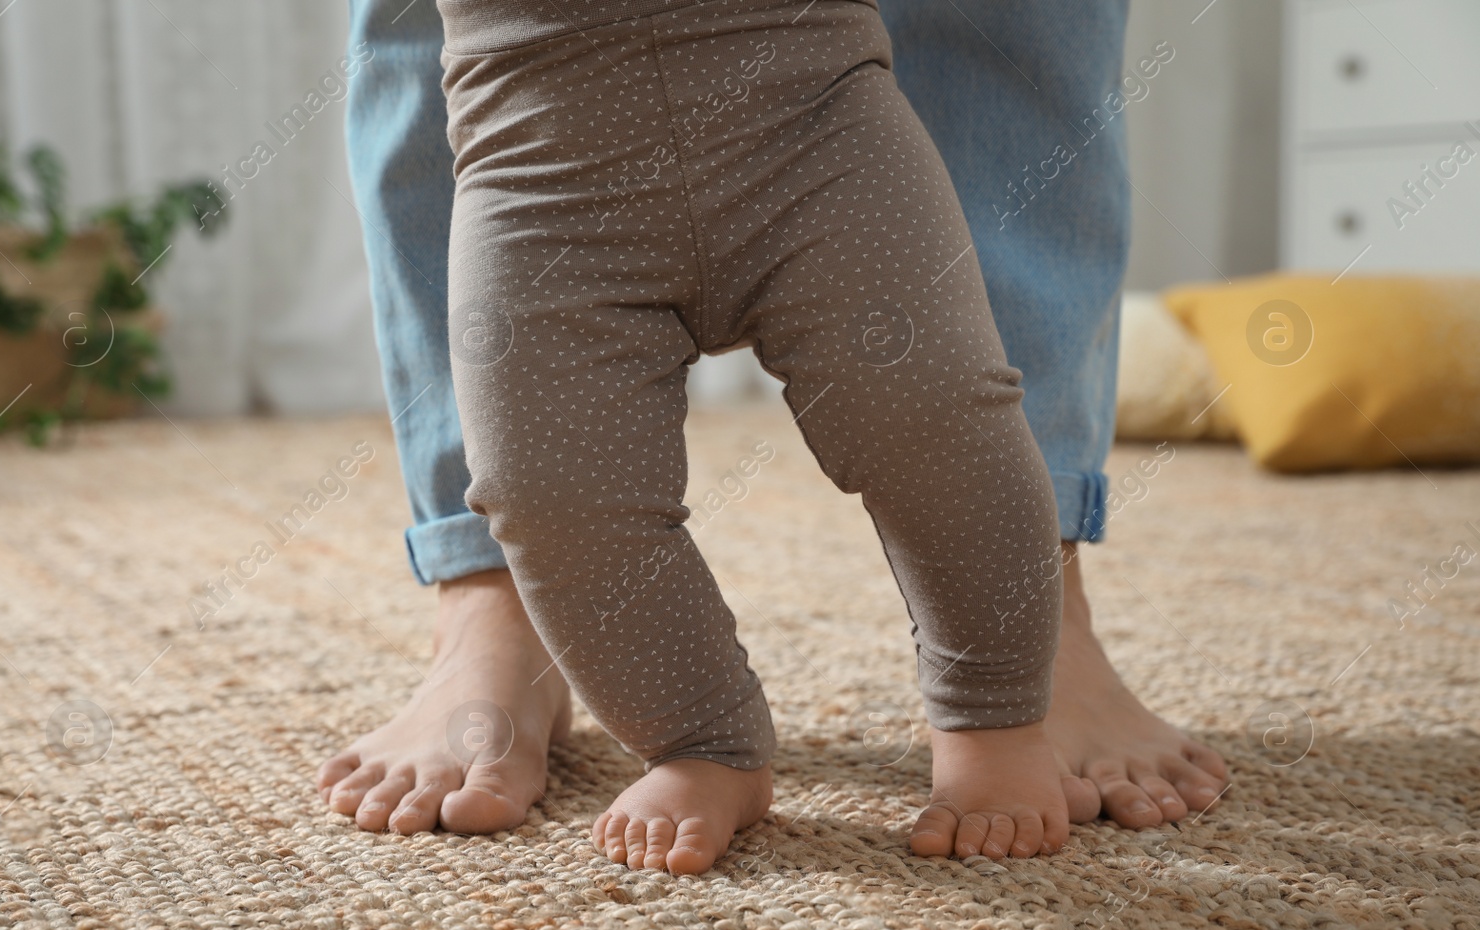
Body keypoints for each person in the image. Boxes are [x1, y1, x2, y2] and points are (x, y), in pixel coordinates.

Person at [319, 0, 1230, 872]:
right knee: (547, 488)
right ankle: (702, 738)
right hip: (537, 165)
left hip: (814, 123)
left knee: (937, 414)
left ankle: (996, 715)